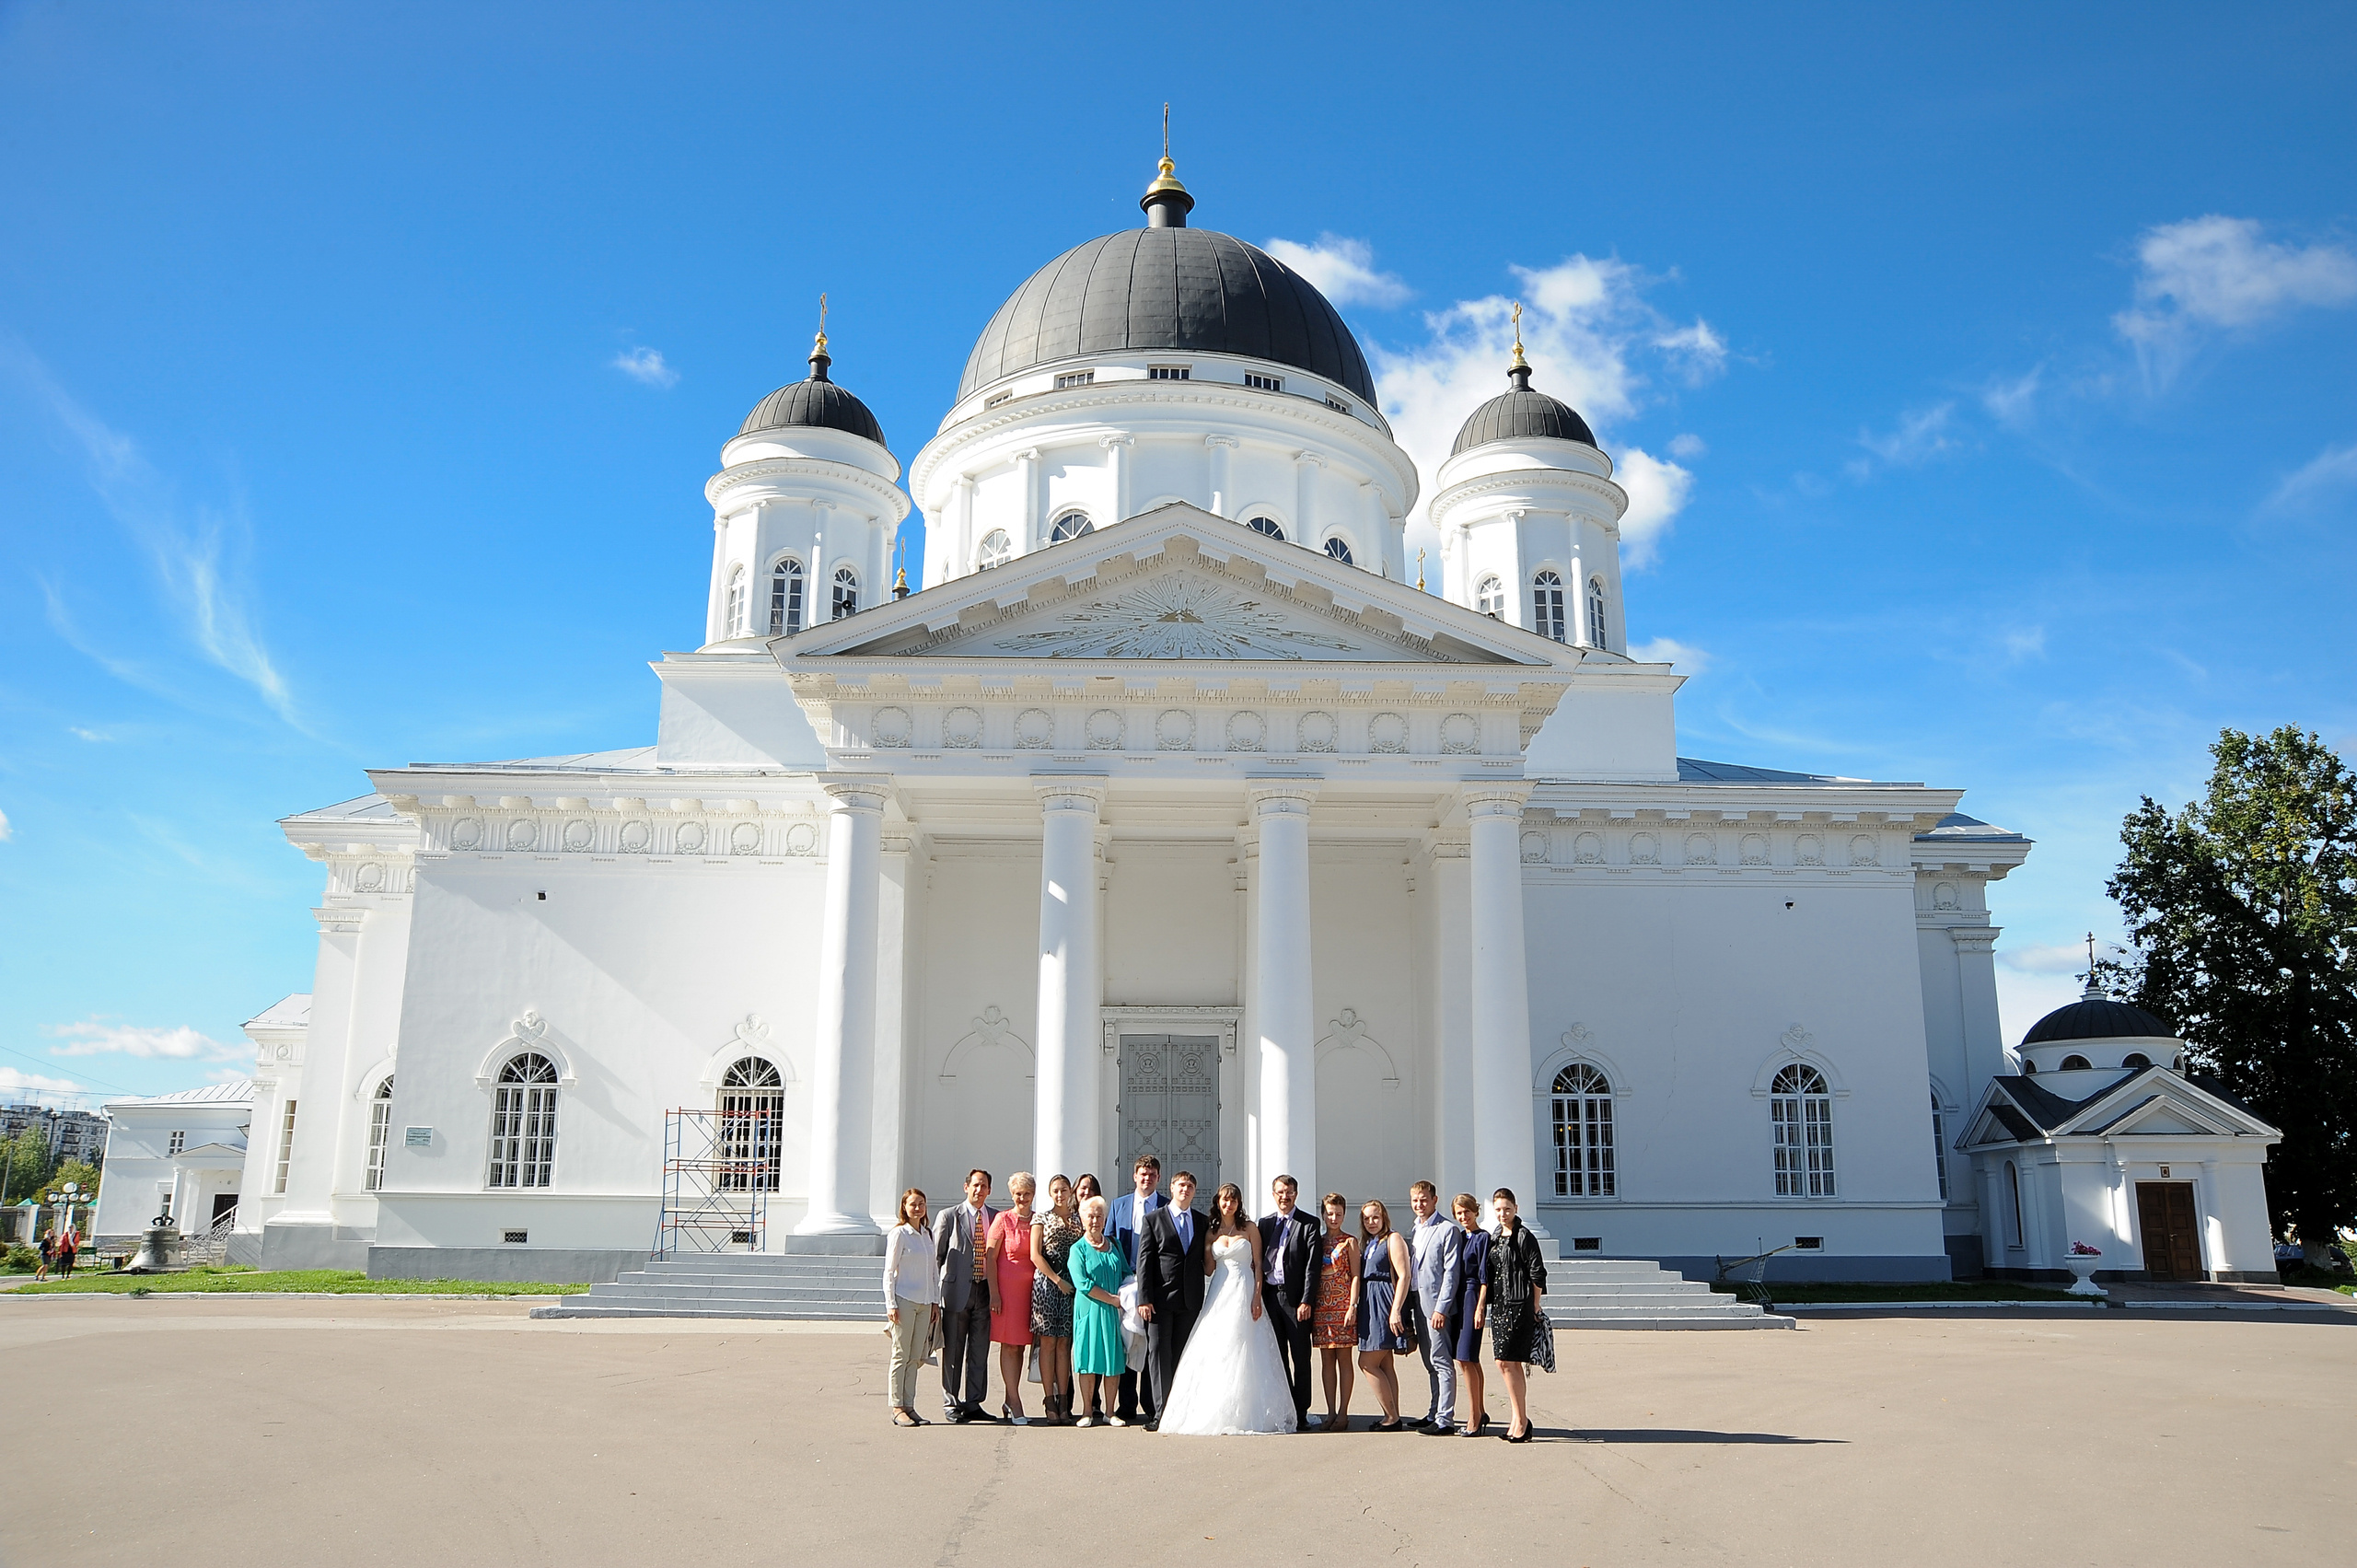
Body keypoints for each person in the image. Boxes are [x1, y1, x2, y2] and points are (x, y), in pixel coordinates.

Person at [1155, 1181, 1296, 1434]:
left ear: (1238, 1203)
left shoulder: (1250, 1229)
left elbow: (1258, 1266)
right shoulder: (1211, 1232)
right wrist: (1206, 1251)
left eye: (1233, 1200)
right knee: (1217, 1345)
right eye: (1224, 1200)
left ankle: (1246, 1410)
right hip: (1220, 1289)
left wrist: (1256, 1298)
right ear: (1218, 1202)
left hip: (1244, 1288)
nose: (1228, 1204)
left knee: (1244, 1344)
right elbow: (1208, 1267)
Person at [1134, 1169, 1209, 1430]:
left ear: (1194, 1191)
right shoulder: (1154, 1219)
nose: (1185, 1189)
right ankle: (1161, 1413)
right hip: (1158, 1301)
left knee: (1181, 1357)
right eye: (1180, 1185)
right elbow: (1144, 1262)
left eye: (1190, 1185)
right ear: (1172, 1188)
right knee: (1158, 1355)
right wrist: (1143, 1298)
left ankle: (1181, 1409)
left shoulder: (1201, 1221)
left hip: (1189, 1302)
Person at [1257, 1174, 1325, 1432]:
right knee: (1278, 1357)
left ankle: (1301, 1411)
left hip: (1296, 1301)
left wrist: (1307, 1300)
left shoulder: (1308, 1223)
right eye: (1279, 1192)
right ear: (1273, 1195)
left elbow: (1312, 1267)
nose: (1284, 1197)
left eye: (1289, 1192)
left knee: (1301, 1357)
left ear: (1296, 1194)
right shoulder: (1265, 1224)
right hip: (1270, 1298)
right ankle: (1284, 1407)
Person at [933, 1168, 1001, 1424]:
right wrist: (934, 1295)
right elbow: (936, 1258)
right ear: (966, 1187)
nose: (979, 1190)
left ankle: (973, 1402)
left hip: (985, 1291)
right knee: (952, 1351)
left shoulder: (995, 1217)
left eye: (983, 1186)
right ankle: (951, 1402)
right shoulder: (949, 1216)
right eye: (975, 1185)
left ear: (989, 1190)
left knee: (979, 1350)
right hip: (956, 1292)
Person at [1106, 1156, 1166, 1423]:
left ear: (1158, 1178)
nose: (1146, 1178)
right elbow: (1109, 1241)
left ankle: (1151, 1403)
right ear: (1134, 1176)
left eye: (1152, 1174)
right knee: (1128, 1341)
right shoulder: (1119, 1205)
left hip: (1156, 1285)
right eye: (1142, 1174)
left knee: (1152, 1343)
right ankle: (1127, 1403)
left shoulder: (1166, 1206)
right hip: (1126, 1283)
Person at [1489, 1188, 1548, 1443]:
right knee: (1503, 1363)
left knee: (1511, 1362)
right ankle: (1517, 1418)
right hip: (1500, 1306)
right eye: (1499, 1210)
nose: (1503, 1214)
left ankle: (1521, 1421)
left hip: (1519, 1306)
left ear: (1516, 1208)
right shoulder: (1496, 1235)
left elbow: (1538, 1273)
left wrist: (1535, 1305)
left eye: (1507, 1209)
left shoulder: (1524, 1236)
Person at [1406, 1179, 1464, 1435]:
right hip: (1418, 1302)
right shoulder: (1416, 1229)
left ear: (1434, 1200)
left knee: (1441, 1361)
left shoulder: (1447, 1230)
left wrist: (1442, 1308)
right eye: (1415, 1200)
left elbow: (1452, 1272)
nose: (1419, 1204)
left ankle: (1445, 1419)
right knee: (1429, 1361)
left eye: (1424, 1200)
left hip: (1436, 1307)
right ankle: (1433, 1411)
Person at [1067, 1195, 1129, 1428]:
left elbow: (1125, 1272)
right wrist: (1112, 1299)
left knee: (1112, 1360)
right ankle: (1086, 1412)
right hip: (1090, 1310)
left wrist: (1126, 1297)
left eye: (1099, 1216)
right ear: (1083, 1220)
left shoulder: (1115, 1244)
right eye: (1090, 1216)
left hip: (1113, 1312)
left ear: (1105, 1220)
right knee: (1088, 1359)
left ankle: (1110, 1411)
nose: (1095, 1221)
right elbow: (1082, 1283)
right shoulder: (1078, 1249)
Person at [883, 1189, 942, 1427]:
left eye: (921, 1204)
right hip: (904, 1299)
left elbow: (933, 1270)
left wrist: (935, 1300)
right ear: (904, 1208)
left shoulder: (926, 1233)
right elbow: (889, 1270)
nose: (917, 1208)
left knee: (916, 1356)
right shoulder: (900, 1234)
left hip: (925, 1302)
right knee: (901, 1354)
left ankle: (910, 1405)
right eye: (913, 1204)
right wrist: (891, 1303)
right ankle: (897, 1407)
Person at [1355, 1199, 1415, 1432]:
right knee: (1385, 1362)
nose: (1371, 1222)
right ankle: (1393, 1414)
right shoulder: (1369, 1242)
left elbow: (1404, 1276)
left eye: (1375, 1217)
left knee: (1367, 1362)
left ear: (1384, 1218)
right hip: (1369, 1303)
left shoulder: (1393, 1238)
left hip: (1383, 1303)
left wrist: (1396, 1310)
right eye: (1367, 1218)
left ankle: (1391, 1416)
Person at [1029, 1175, 1082, 1425]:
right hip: (1047, 1285)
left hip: (1071, 1287)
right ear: (1050, 1193)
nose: (1059, 1194)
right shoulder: (1041, 1218)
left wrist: (1071, 1283)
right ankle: (1049, 1400)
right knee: (1048, 1344)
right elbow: (1035, 1255)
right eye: (1055, 1190)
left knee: (1065, 1345)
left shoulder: (1078, 1219)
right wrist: (1056, 1280)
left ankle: (1064, 1402)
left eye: (1063, 1190)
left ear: (1070, 1190)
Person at [986, 1172, 1039, 1424]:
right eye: (1018, 1194)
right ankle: (1015, 1400)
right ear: (1012, 1195)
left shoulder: (1038, 1220)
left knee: (1021, 1346)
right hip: (1006, 1293)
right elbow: (990, 1258)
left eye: (1027, 1193)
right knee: (1008, 1344)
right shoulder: (1002, 1219)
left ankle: (1009, 1397)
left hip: (1031, 1293)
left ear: (1033, 1194)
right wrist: (994, 1293)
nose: (1022, 1198)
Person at [1309, 1191, 1359, 1431]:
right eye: (1330, 1213)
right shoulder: (1317, 1241)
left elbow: (1356, 1275)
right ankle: (1329, 1411)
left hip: (1343, 1306)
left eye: (1338, 1214)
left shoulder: (1349, 1242)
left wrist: (1352, 1305)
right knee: (1326, 1360)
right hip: (1321, 1307)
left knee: (1344, 1359)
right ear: (1323, 1214)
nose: (1334, 1218)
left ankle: (1343, 1412)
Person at [1449, 1192, 1492, 1437]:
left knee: (1466, 1357)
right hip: (1458, 1296)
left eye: (1466, 1211)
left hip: (1473, 1295)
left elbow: (1485, 1276)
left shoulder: (1482, 1238)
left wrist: (1480, 1307)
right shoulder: (1460, 1237)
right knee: (1469, 1359)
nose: (1463, 1216)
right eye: (1459, 1213)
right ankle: (1481, 1409)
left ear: (1475, 1211)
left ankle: (1474, 1417)